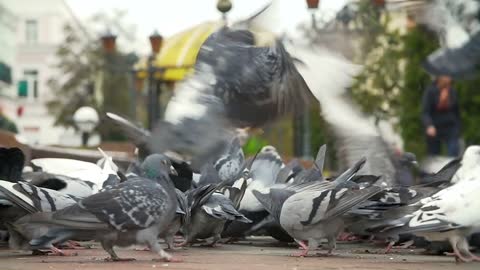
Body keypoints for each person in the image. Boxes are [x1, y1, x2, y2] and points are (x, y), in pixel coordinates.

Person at [421, 75, 461, 157]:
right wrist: (429, 125)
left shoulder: (452, 91)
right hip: (435, 127)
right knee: (434, 156)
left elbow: (456, 112)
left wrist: (458, 128)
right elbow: (425, 112)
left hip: (450, 127)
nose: (449, 78)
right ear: (440, 77)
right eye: (447, 76)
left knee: (453, 153)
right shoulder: (430, 91)